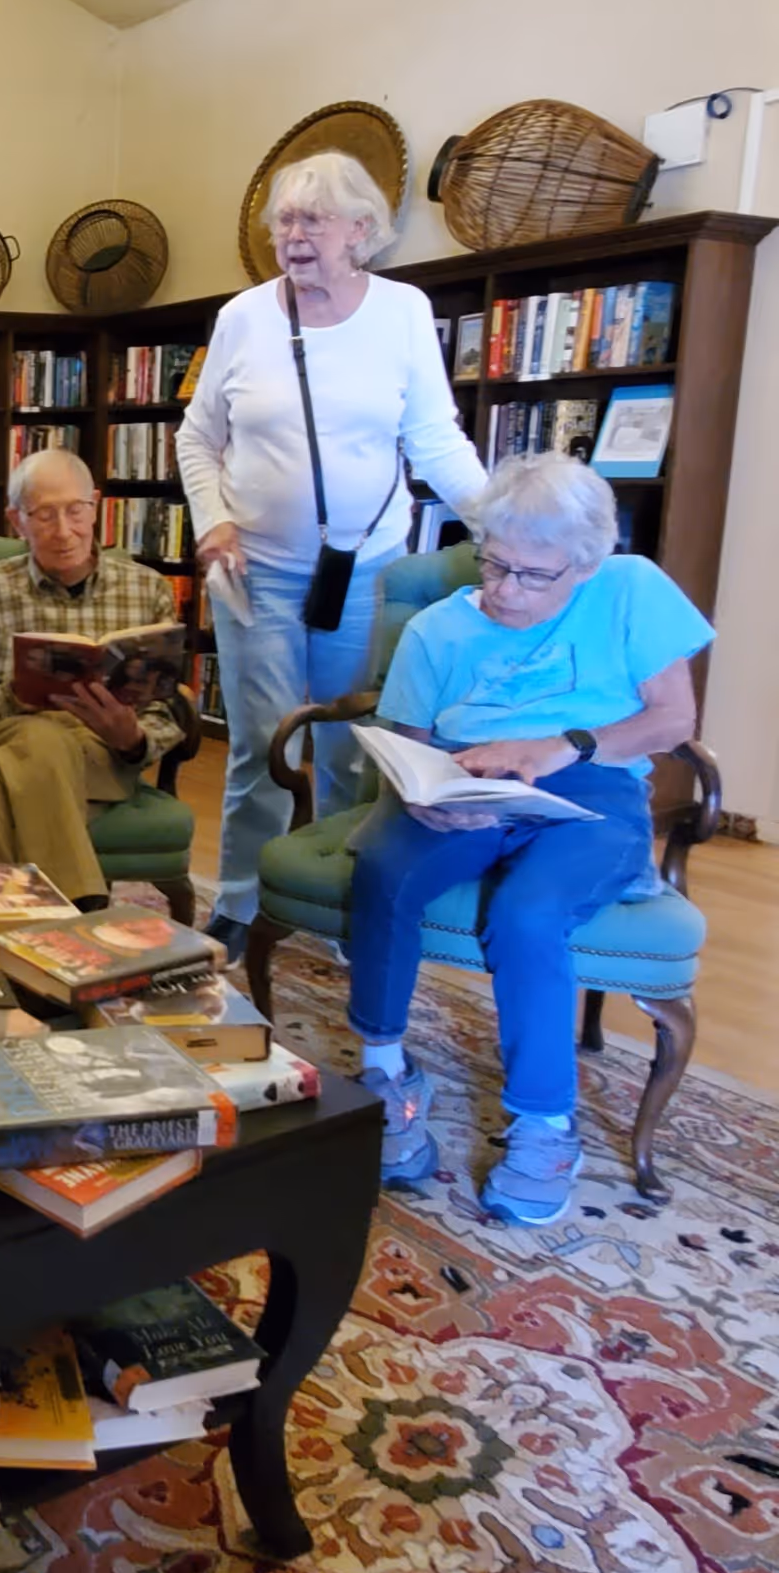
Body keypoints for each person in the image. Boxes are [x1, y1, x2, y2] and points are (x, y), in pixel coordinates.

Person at [348, 453, 713, 1225]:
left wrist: (560, 748)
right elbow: (405, 747)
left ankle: (545, 1125)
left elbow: (674, 720)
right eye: (495, 563)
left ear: (584, 563)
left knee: (531, 913)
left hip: (591, 788)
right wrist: (429, 795)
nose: (506, 590)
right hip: (466, 783)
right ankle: (385, 1069)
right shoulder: (435, 628)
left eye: (532, 575)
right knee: (383, 863)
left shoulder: (631, 589)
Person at [177, 150, 489, 964]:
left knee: (352, 745)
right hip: (258, 573)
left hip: (368, 570)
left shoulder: (403, 313)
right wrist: (212, 520)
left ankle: (339, 894)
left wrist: (504, 528)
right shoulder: (244, 317)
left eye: (313, 219)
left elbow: (435, 441)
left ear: (362, 231)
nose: (294, 235)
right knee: (261, 746)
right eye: (284, 219)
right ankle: (242, 900)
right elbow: (198, 437)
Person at [0, 448, 184, 908]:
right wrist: (16, 696)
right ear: (17, 520)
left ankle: (3, 940)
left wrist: (133, 738)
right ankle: (81, 907)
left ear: (96, 507)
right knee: (42, 736)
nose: (64, 531)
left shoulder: (148, 591)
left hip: (103, 755)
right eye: (44, 515)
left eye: (75, 511)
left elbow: (165, 709)